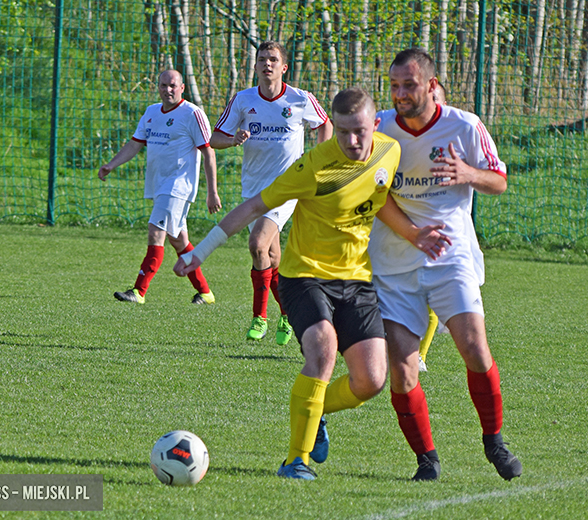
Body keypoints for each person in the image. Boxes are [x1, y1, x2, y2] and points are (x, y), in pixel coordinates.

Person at [174, 87, 450, 480]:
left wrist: (414, 234)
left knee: (371, 380)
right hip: (304, 275)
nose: (352, 141)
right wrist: (200, 252)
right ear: (332, 129)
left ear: (375, 124)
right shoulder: (315, 167)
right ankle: (295, 460)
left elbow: (382, 196)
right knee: (322, 350)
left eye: (359, 131)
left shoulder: (391, 150)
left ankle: (315, 408)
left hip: (356, 279)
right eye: (342, 132)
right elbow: (255, 206)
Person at [370, 48, 523, 481]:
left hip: (450, 257)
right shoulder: (379, 129)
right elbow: (373, 195)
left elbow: (499, 180)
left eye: (410, 85)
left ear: (432, 85)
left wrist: (466, 174)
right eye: (395, 86)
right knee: (401, 369)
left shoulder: (465, 125)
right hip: (394, 264)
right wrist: (413, 233)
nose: (400, 94)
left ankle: (494, 441)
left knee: (475, 349)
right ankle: (427, 460)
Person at [210, 41, 333, 345]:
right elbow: (215, 138)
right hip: (253, 187)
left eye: (273, 60)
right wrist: (234, 139)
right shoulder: (243, 100)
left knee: (256, 244)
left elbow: (325, 124)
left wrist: (317, 160)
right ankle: (290, 315)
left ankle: (258, 317)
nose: (267, 64)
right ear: (255, 66)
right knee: (272, 255)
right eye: (262, 59)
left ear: (283, 67)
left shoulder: (300, 99)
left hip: (288, 187)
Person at [98, 69, 220, 305]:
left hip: (179, 186)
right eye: (164, 85)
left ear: (182, 87)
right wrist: (111, 165)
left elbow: (209, 152)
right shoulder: (152, 112)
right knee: (179, 240)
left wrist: (212, 192)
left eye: (173, 85)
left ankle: (139, 291)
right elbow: (135, 144)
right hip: (159, 184)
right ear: (158, 87)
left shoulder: (193, 114)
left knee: (156, 232)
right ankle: (205, 292)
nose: (168, 90)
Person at [417, 81, 447, 372]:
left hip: (437, 229)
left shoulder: (455, 135)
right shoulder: (401, 134)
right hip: (401, 228)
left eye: (436, 100)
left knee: (430, 296)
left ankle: (420, 356)